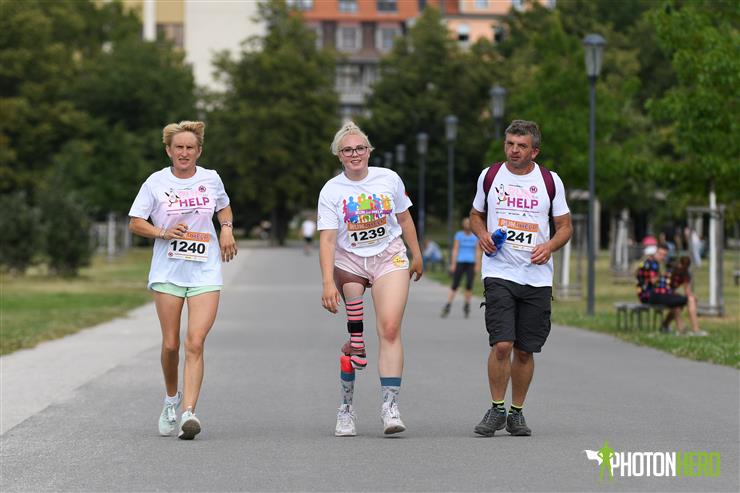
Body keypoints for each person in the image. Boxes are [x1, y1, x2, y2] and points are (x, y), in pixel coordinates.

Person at [128, 120, 237, 440]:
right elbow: (136, 222)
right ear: (169, 151)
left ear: (199, 151)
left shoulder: (211, 178)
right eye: (179, 147)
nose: (184, 153)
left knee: (195, 342)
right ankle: (170, 399)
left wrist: (226, 229)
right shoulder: (155, 182)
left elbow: (224, 208)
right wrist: (163, 232)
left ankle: (189, 412)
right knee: (171, 344)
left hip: (205, 271)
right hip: (168, 272)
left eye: (190, 147)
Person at [317, 121, 423, 437]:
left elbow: (404, 218)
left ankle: (390, 407)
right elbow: (327, 239)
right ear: (339, 155)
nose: (355, 154)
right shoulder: (331, 190)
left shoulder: (388, 178)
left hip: (389, 257)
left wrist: (417, 253)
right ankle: (346, 409)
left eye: (360, 148)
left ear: (369, 151)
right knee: (358, 341)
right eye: (347, 150)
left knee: (389, 328)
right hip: (349, 262)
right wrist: (326, 282)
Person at [469, 120, 572, 437]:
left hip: (536, 277)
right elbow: (475, 215)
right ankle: (496, 409)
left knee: (525, 350)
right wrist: (482, 234)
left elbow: (565, 226)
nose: (514, 150)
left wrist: (549, 246)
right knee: (502, 344)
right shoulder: (490, 176)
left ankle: (516, 413)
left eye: (521, 146)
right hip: (499, 271)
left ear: (534, 151)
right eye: (510, 144)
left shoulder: (549, 181)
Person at [635, 243, 694, 334]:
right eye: (660, 254)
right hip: (649, 295)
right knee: (679, 301)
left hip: (653, 294)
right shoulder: (651, 264)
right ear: (656, 252)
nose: (662, 257)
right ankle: (680, 328)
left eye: (664, 255)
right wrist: (664, 276)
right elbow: (654, 281)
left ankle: (672, 327)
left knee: (677, 302)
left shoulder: (654, 263)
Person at [441, 217, 481, 318]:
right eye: (466, 224)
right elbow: (455, 249)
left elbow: (477, 251)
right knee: (455, 284)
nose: (467, 225)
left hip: (471, 263)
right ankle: (448, 304)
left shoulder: (475, 237)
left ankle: (467, 305)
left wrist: (477, 265)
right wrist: (453, 264)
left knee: (469, 285)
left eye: (469, 223)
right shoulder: (459, 235)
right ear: (463, 225)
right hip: (460, 262)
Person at [669, 256, 708, 336]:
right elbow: (687, 291)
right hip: (668, 295)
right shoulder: (685, 273)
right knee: (690, 300)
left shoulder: (673, 270)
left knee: (677, 305)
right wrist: (694, 297)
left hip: (665, 293)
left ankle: (671, 326)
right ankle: (695, 329)